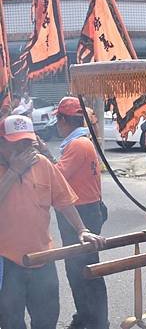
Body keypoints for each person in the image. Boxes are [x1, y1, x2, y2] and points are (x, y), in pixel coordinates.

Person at [0, 115, 105, 329]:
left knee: (47, 319)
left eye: (27, 143)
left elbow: (63, 201)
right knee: (10, 322)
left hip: (43, 258)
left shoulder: (43, 164)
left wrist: (81, 229)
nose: (23, 149)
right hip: (6, 262)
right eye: (16, 144)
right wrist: (13, 172)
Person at [53, 97, 109, 329]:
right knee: (79, 269)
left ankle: (95, 321)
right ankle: (86, 316)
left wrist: (42, 155)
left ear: (63, 120)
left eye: (58, 120)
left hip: (82, 212)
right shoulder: (80, 142)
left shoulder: (77, 145)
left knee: (84, 270)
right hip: (86, 209)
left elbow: (55, 178)